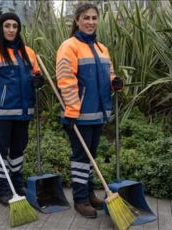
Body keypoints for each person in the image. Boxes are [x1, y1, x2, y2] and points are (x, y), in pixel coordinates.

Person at [56, 3, 123, 218]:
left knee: (91, 156)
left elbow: (108, 74)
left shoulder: (101, 48)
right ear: (77, 20)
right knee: (81, 158)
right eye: (86, 18)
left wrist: (115, 82)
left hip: (98, 113)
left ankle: (90, 193)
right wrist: (73, 112)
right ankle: (80, 199)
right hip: (79, 115)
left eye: (94, 18)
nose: (91, 22)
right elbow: (66, 82)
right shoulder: (69, 46)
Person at [0, 12, 45, 206]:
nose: (11, 30)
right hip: (1, 113)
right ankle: (2, 189)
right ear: (1, 28)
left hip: (23, 112)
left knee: (18, 149)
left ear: (19, 29)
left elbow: (35, 76)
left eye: (15, 26)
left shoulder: (29, 53)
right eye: (7, 26)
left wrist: (38, 81)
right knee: (0, 151)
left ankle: (17, 182)